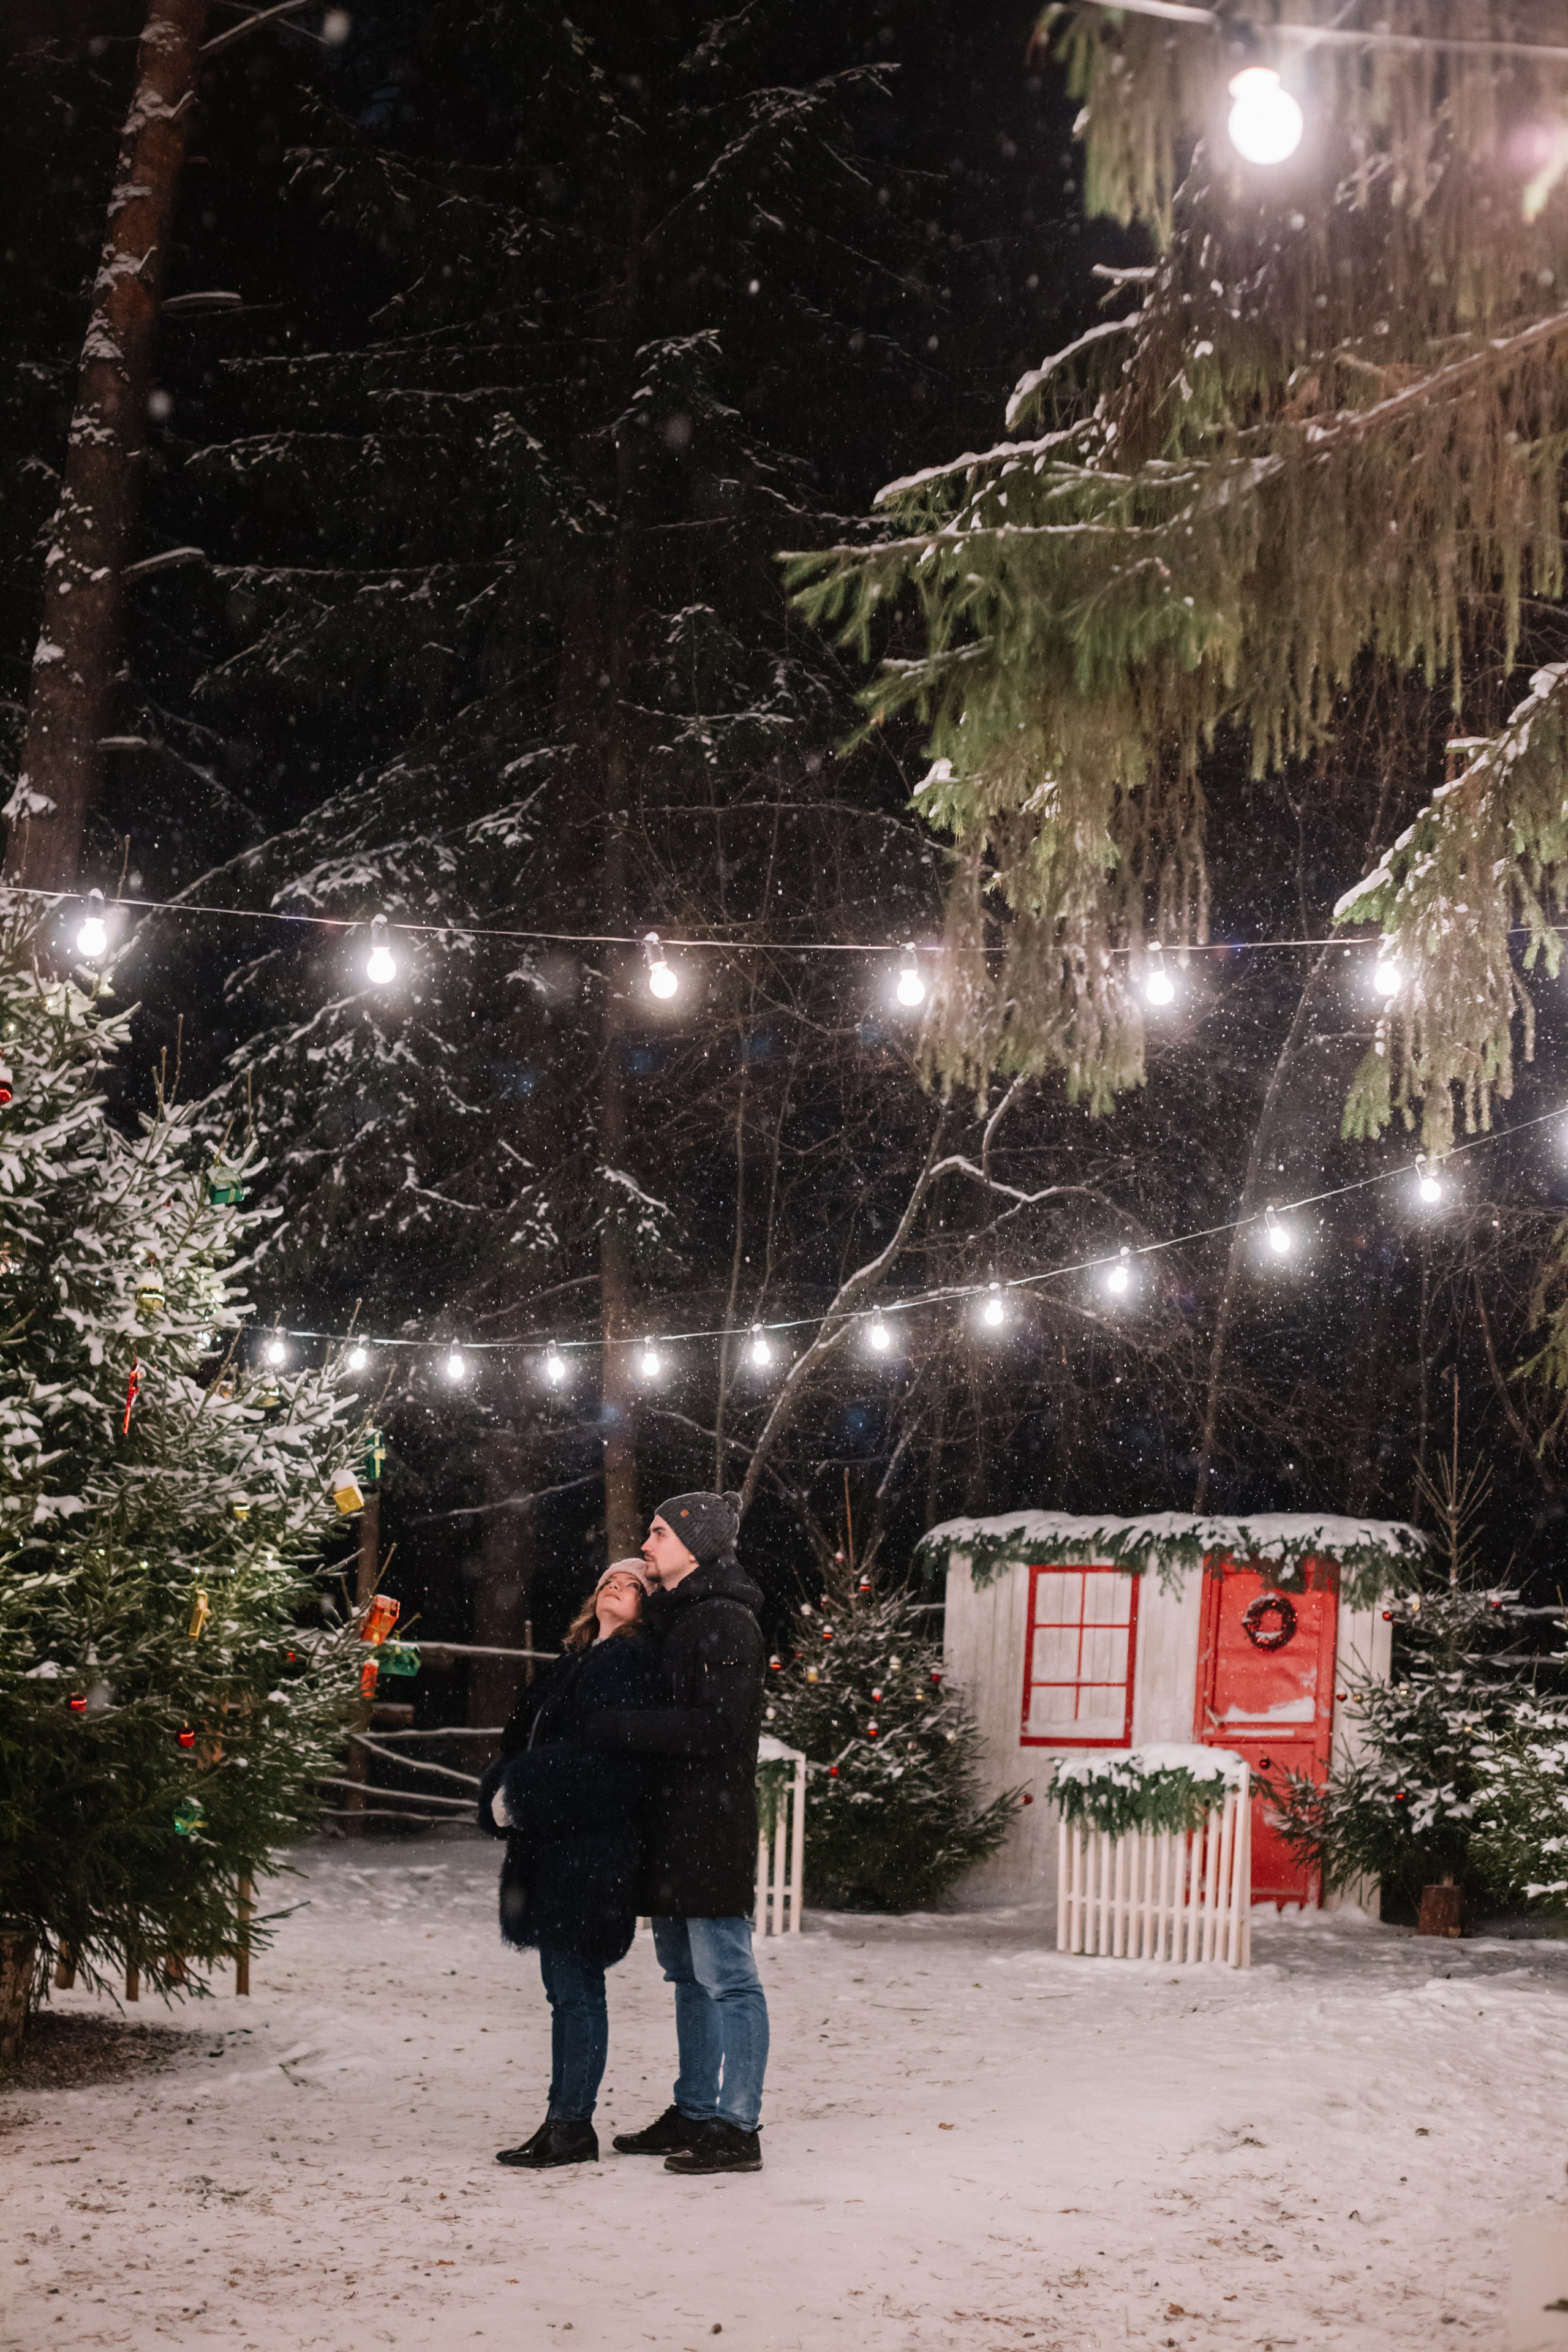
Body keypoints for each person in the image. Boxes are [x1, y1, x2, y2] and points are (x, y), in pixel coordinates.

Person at [589, 1489, 769, 2176]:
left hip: (709, 1826)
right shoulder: (678, 1619)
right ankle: (695, 2108)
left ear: (695, 1545)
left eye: (659, 1534)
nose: (646, 1546)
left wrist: (618, 1730)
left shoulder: (723, 1621)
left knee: (728, 1977)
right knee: (688, 1977)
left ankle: (738, 2124)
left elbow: (719, 1729)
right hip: (669, 1828)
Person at [477, 1558, 659, 2169]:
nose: (619, 1584)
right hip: (553, 1845)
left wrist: (523, 1790)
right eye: (612, 1577)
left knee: (578, 1990)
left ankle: (573, 2125)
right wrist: (504, 1789)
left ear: (647, 1607)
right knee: (562, 1991)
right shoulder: (575, 1659)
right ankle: (559, 2119)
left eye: (635, 1584)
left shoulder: (631, 1663)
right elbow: (525, 1739)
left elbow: (605, 1761)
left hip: (591, 1848)